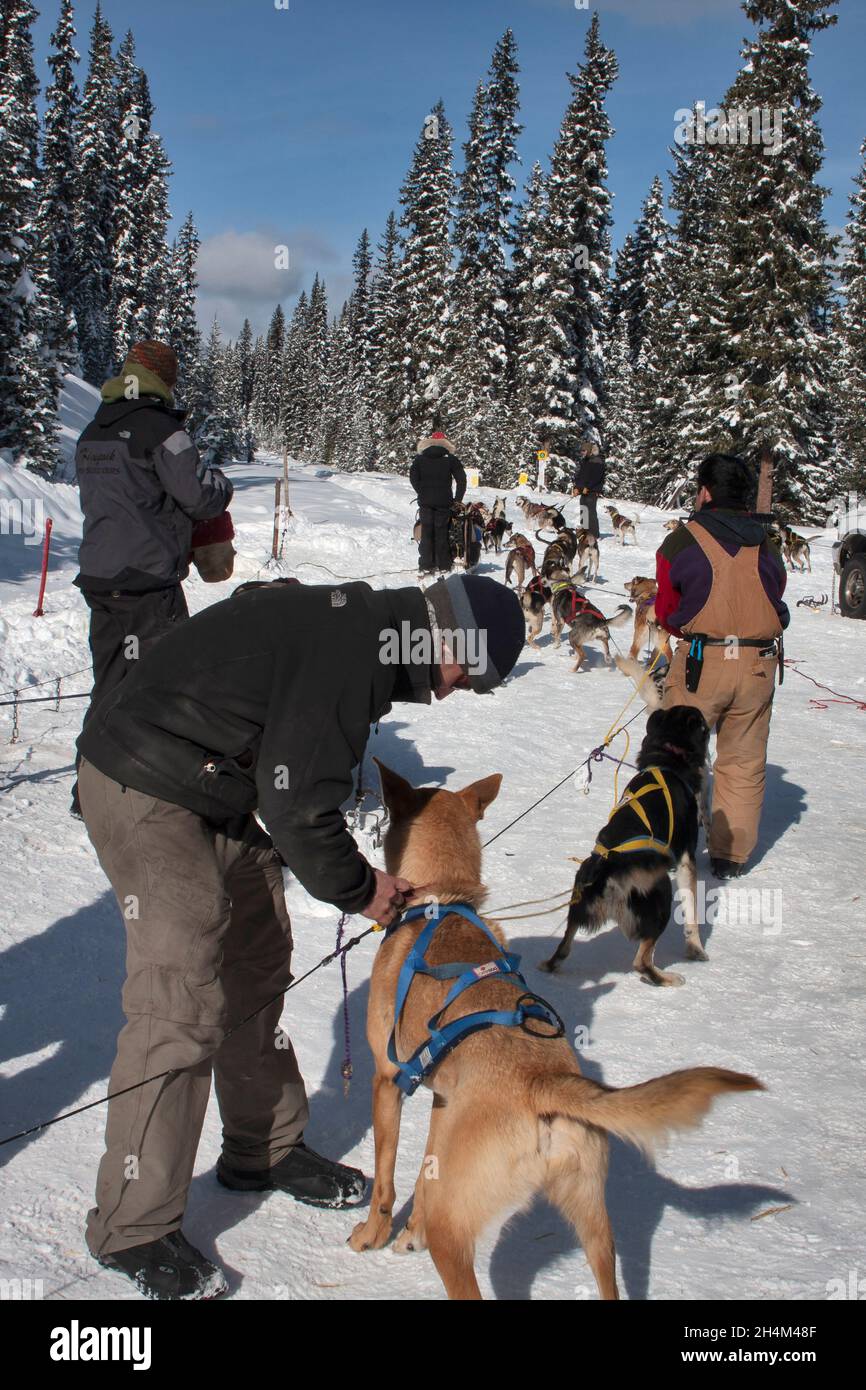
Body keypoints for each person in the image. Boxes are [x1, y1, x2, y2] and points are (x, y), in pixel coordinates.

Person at [76, 571, 525, 1300]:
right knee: (181, 998)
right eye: (464, 674)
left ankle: (265, 1146)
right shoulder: (354, 651)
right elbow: (295, 807)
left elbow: (292, 773)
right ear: (449, 636)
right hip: (143, 781)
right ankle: (132, 1227)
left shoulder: (368, 638)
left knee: (259, 960)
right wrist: (364, 889)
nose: (451, 691)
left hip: (209, 779)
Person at [72, 340, 232, 814]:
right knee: (165, 681)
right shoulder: (163, 430)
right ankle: (158, 786)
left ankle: (88, 789)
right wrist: (221, 482)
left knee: (110, 681)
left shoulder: (93, 429)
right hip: (148, 581)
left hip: (101, 578)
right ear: (166, 380)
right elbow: (200, 496)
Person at [654, 453, 790, 879]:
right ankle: (730, 856)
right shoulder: (765, 543)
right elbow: (776, 590)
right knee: (744, 759)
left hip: (701, 662)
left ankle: (662, 842)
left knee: (673, 753)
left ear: (705, 492)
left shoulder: (682, 540)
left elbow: (666, 608)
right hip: (757, 665)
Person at [409, 423, 466, 577]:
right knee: (442, 532)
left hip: (425, 502)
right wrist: (458, 499)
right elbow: (462, 479)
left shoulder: (420, 459)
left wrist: (421, 491)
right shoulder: (450, 458)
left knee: (427, 532)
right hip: (444, 502)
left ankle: (426, 565)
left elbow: (413, 477)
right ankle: (444, 565)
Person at [572, 442, 605, 539]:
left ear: (589, 450)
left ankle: (594, 534)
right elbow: (580, 476)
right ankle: (585, 531)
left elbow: (596, 478)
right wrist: (577, 487)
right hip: (583, 491)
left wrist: (588, 487)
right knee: (583, 511)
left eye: (584, 450)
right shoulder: (585, 461)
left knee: (591, 513)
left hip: (592, 491)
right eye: (581, 451)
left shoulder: (597, 461)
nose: (582, 452)